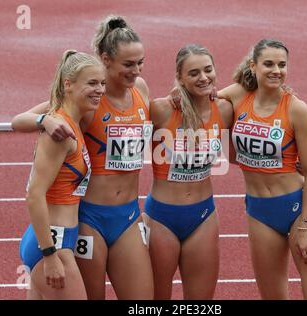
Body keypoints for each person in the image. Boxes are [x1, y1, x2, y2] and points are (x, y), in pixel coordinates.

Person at [13, 15, 154, 300]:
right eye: (128, 64)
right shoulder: (86, 99)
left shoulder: (141, 90)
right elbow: (19, 120)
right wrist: (45, 120)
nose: (136, 71)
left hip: (127, 214)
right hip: (88, 219)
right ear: (106, 60)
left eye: (140, 63)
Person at [220, 39, 307, 299]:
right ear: (253, 65)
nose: (276, 70)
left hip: (299, 209)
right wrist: (177, 95)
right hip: (260, 212)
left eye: (282, 65)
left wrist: (304, 226)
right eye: (268, 64)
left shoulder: (297, 109)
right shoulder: (237, 96)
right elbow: (205, 96)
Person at [146, 44, 233, 299]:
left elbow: (254, 88)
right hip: (161, 217)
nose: (203, 77)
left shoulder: (225, 110)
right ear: (180, 77)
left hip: (202, 216)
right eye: (194, 73)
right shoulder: (161, 110)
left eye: (208, 70)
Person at [19, 49, 106, 299]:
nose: (100, 89)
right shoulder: (59, 131)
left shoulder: (70, 119)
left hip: (58, 238)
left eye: (102, 83)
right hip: (52, 244)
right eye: (92, 83)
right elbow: (34, 195)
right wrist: (50, 255)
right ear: (68, 84)